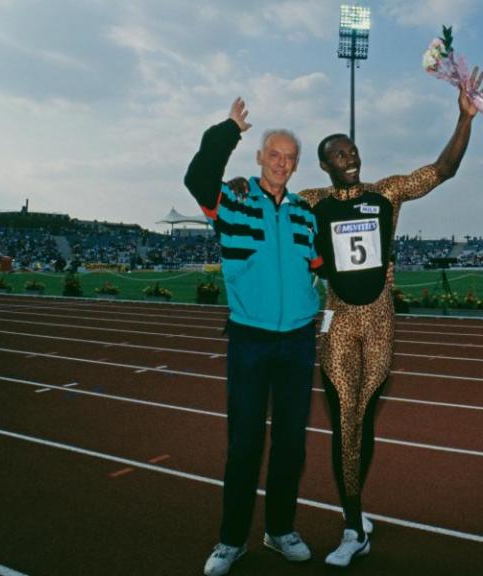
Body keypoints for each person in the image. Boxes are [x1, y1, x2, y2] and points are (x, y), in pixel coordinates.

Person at [300, 67, 483, 566]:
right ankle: (351, 526)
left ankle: (354, 511)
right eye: (339, 153)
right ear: (324, 164)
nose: (351, 157)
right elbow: (269, 202)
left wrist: (464, 119)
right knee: (344, 422)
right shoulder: (311, 203)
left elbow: (441, 170)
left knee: (363, 422)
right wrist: (240, 184)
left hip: (380, 320)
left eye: (353, 150)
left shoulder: (386, 194)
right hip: (338, 320)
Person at [185, 98, 322, 576]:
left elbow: (323, 268)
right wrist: (228, 130)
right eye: (275, 155)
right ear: (260, 159)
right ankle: (231, 540)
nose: (282, 163)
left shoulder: (307, 214)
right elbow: (197, 177)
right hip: (250, 340)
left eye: (290, 157)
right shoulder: (236, 201)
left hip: (298, 341)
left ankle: (280, 529)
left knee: (290, 444)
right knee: (244, 444)